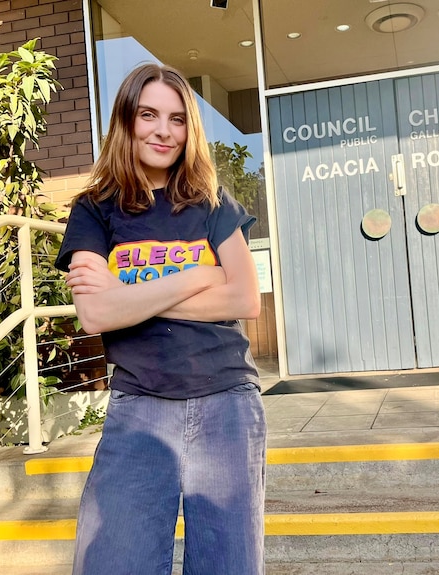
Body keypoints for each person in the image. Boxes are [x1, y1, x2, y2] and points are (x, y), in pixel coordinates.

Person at [55, 63, 265, 575]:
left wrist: (130, 291)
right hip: (140, 408)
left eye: (176, 119)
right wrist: (199, 276)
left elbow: (245, 299)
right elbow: (95, 313)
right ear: (126, 121)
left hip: (226, 403)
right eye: (149, 114)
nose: (163, 131)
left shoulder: (213, 204)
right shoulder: (94, 210)